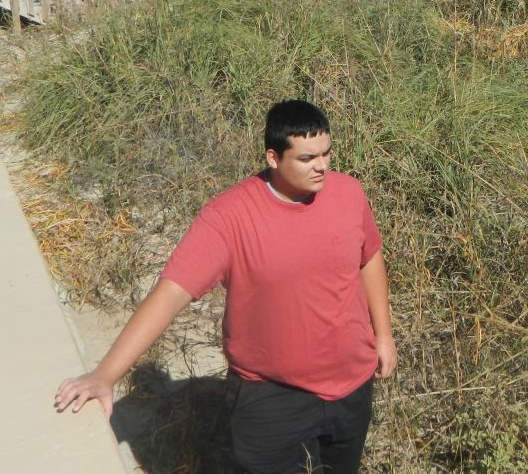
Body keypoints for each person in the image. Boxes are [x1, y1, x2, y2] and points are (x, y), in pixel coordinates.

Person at [54, 100, 395, 474]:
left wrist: (384, 335)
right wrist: (105, 375)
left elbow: (370, 257)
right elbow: (171, 294)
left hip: (353, 383)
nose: (322, 166)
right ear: (274, 157)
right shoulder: (229, 217)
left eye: (327, 154)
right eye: (307, 158)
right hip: (271, 395)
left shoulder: (348, 193)